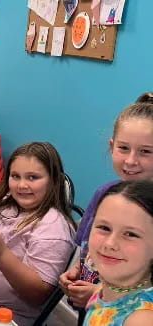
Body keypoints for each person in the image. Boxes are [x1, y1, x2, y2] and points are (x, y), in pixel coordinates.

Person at [0, 142, 76, 326]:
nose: (22, 185)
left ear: (53, 181)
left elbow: (37, 294)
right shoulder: (5, 202)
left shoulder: (53, 228)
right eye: (15, 176)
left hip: (4, 316)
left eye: (33, 177)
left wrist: (1, 253)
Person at [59, 101, 153, 314]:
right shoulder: (104, 193)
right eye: (123, 148)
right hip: (91, 309)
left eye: (145, 152)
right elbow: (87, 247)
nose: (130, 160)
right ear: (112, 146)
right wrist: (77, 270)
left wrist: (99, 291)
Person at [83, 180, 153, 326]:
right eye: (104, 227)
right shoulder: (109, 286)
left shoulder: (142, 320)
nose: (110, 243)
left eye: (130, 234)